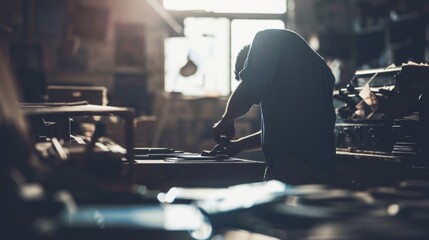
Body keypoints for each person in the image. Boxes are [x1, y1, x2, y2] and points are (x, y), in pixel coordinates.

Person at [211, 29, 336, 185]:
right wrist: (239, 145)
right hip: (321, 169)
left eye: (247, 74)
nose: (257, 101)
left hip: (294, 167)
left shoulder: (266, 40)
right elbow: (286, 129)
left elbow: (248, 90)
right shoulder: (316, 69)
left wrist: (225, 122)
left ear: (252, 62)